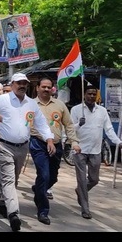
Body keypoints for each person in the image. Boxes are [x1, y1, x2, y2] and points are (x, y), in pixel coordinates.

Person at [0, 72, 54, 232]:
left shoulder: (31, 104)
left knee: (13, 179)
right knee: (8, 180)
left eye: (24, 83)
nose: (22, 86)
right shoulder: (1, 100)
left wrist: (49, 139)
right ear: (12, 84)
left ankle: (4, 201)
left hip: (23, 147)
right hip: (3, 146)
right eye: (19, 83)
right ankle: (14, 214)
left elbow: (41, 123)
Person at [30, 77, 80, 225]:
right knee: (44, 175)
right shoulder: (30, 105)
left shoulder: (60, 105)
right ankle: (43, 211)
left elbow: (69, 125)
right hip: (38, 144)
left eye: (49, 87)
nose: (46, 89)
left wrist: (74, 142)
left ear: (53, 89)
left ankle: (38, 190)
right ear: (37, 88)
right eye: (43, 86)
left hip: (56, 145)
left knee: (52, 178)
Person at [70, 84, 122, 220]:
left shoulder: (102, 111)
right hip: (80, 149)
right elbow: (69, 130)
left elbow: (109, 129)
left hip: (95, 150)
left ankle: (80, 192)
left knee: (94, 179)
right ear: (84, 94)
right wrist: (78, 124)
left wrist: (118, 142)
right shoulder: (76, 110)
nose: (92, 96)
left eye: (94, 94)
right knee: (81, 180)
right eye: (89, 93)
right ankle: (85, 209)